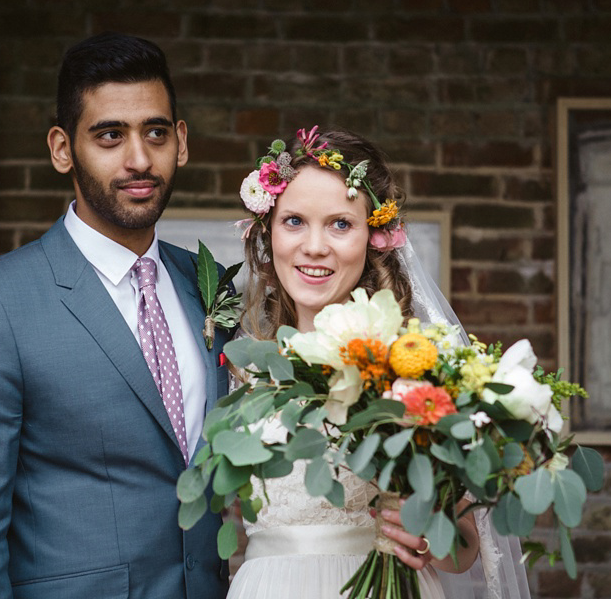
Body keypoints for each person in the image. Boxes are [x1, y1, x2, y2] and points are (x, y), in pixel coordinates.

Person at [0, 32, 230, 599]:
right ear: (62, 149)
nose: (139, 159)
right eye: (109, 135)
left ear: (181, 142)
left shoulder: (210, 287)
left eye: (155, 132)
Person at [227, 127, 531, 599]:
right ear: (267, 230)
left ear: (375, 235)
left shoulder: (412, 360)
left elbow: (467, 546)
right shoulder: (238, 368)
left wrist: (426, 533)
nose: (314, 246)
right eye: (294, 222)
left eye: (340, 224)